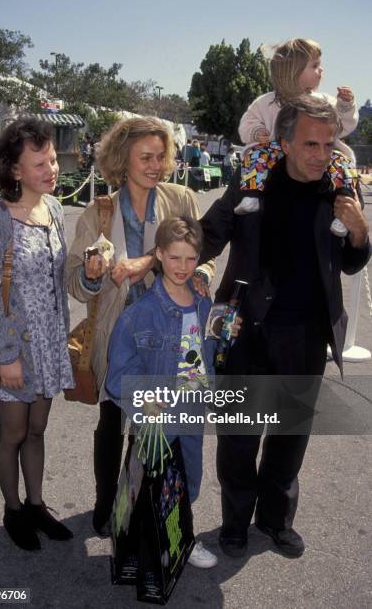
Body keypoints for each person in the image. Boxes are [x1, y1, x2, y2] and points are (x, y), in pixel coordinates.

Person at [199, 95, 371, 560]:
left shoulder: (338, 186)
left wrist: (358, 230)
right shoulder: (254, 181)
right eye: (310, 144)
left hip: (306, 335)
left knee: (289, 437)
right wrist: (159, 261)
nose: (321, 153)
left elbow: (353, 261)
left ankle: (275, 520)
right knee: (239, 436)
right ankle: (234, 523)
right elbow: (210, 231)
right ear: (285, 143)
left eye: (328, 143)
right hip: (246, 330)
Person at [66, 117, 215, 538]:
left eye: (160, 156)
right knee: (112, 416)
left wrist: (197, 272)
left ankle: (140, 506)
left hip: (172, 332)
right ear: (122, 160)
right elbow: (76, 283)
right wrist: (95, 274)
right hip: (119, 332)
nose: (155, 165)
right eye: (145, 157)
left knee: (158, 425)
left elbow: (203, 255)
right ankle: (104, 499)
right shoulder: (99, 211)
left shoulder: (182, 198)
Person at [0, 118, 74, 551]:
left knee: (37, 429)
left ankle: (36, 504)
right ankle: (13, 510)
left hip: (48, 345)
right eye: (40, 163)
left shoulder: (57, 209)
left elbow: (56, 278)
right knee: (12, 433)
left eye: (52, 160)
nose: (52, 169)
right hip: (12, 349)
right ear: (14, 170)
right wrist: (5, 355)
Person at [105, 216, 223, 571]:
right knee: (154, 484)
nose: (183, 267)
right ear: (158, 254)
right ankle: (151, 543)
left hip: (191, 411)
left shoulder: (204, 304)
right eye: (174, 258)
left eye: (191, 259)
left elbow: (207, 355)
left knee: (189, 481)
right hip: (157, 418)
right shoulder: (139, 314)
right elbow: (119, 374)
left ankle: (181, 536)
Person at [236, 38, 359, 225]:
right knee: (254, 155)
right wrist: (255, 131)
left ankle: (343, 209)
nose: (321, 70)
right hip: (273, 154)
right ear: (293, 70)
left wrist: (344, 105)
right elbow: (247, 123)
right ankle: (252, 195)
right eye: (315, 65)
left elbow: (344, 126)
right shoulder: (266, 102)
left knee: (342, 163)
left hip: (316, 160)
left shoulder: (323, 101)